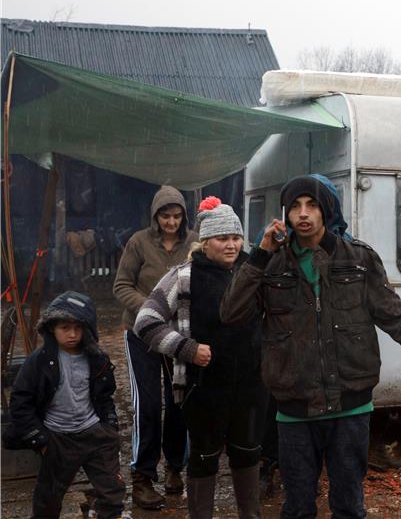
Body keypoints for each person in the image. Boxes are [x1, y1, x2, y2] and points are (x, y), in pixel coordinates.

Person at [220, 174, 401, 519]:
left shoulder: (359, 260)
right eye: (295, 207)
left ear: (327, 209)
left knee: (348, 507)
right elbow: (231, 314)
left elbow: (398, 319)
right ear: (285, 215)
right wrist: (258, 256)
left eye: (312, 205)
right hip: (294, 409)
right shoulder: (270, 263)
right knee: (297, 508)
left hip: (350, 409)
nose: (303, 214)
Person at [134, 197, 265, 519]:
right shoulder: (184, 277)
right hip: (202, 386)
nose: (231, 245)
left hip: (250, 384)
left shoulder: (253, 272)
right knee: (204, 457)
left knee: (248, 454)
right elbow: (146, 321)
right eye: (223, 238)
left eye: (236, 237)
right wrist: (186, 348)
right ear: (206, 242)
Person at [3, 291, 125, 519]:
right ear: (51, 328)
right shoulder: (38, 362)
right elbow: (20, 402)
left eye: (78, 328)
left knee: (113, 492)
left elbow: (106, 395)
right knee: (48, 500)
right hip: (58, 437)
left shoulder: (97, 359)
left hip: (94, 432)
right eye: (65, 328)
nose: (72, 334)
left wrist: (110, 426)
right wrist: (41, 441)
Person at [113, 185, 197, 508]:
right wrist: (150, 308)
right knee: (147, 404)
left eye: (176, 216)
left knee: (179, 401)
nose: (171, 222)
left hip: (178, 334)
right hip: (140, 333)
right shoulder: (139, 242)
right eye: (165, 216)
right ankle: (143, 477)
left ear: (184, 217)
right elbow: (121, 285)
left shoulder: (193, 242)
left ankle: (176, 466)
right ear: (155, 216)